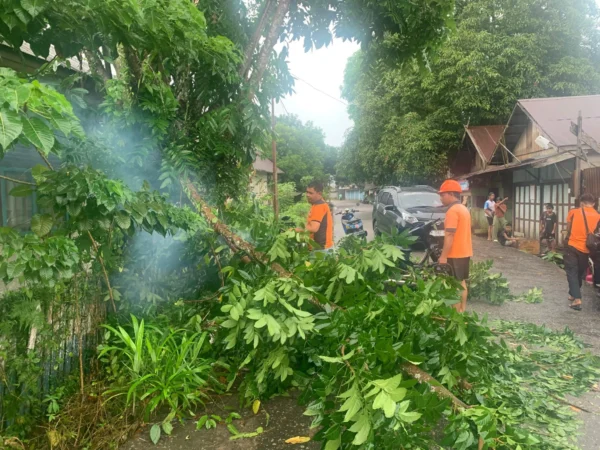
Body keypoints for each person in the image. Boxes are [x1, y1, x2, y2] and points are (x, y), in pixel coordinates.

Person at [438, 179, 473, 313]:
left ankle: (455, 315)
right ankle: (461, 311)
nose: (441, 198)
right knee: (461, 282)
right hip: (465, 252)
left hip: (455, 254)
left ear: (451, 194)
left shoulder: (452, 211)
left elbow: (450, 236)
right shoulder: (463, 209)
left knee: (454, 285)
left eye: (443, 194)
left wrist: (443, 256)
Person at [564, 193, 600, 311]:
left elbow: (568, 228)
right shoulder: (597, 215)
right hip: (586, 248)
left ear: (581, 203)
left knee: (571, 271)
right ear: (594, 204)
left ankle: (577, 299)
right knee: (579, 272)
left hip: (572, 246)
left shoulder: (573, 212)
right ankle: (572, 293)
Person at [298, 181, 334, 250]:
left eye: (311, 193)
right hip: (321, 247)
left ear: (319, 194)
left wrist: (295, 230)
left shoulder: (319, 206)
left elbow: (313, 228)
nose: (307, 195)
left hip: (320, 249)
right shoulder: (317, 204)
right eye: (307, 192)